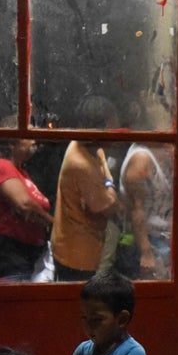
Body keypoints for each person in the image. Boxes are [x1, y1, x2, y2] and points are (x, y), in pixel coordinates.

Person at [50, 95, 122, 282]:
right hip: (76, 255)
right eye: (112, 128)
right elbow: (107, 206)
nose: (117, 132)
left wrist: (107, 182)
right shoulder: (81, 163)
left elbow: (104, 167)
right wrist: (110, 185)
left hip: (79, 246)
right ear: (99, 128)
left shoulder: (91, 148)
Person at [0, 117, 54, 280]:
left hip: (27, 252)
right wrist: (52, 223)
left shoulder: (20, 171)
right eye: (28, 137)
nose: (34, 141)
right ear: (12, 142)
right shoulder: (2, 166)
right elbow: (24, 204)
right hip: (9, 252)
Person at [120, 142, 173, 279]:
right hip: (148, 243)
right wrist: (146, 252)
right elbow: (136, 209)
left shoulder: (159, 152)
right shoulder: (141, 159)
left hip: (161, 241)